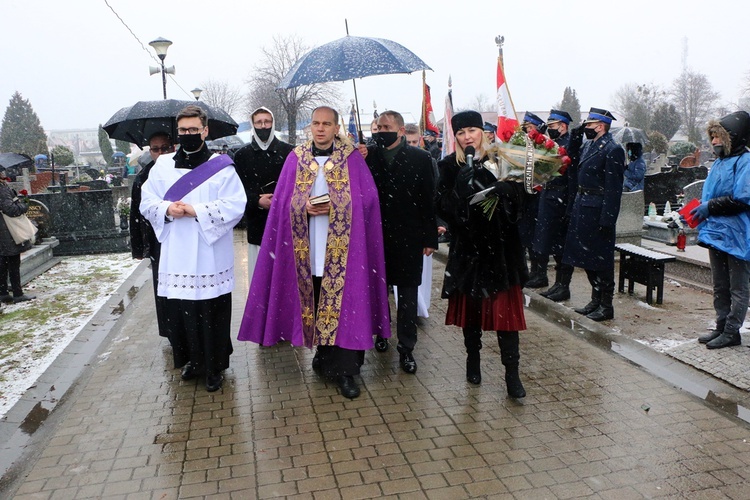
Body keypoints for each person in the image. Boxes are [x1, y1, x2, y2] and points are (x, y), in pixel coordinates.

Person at [237, 106, 390, 399]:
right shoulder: (297, 159)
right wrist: (302, 207)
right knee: (318, 303)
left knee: (346, 308)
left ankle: (346, 371)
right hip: (306, 249)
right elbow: (282, 202)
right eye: (316, 123)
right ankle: (323, 355)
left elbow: (368, 201)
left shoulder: (352, 159)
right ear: (310, 127)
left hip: (345, 251)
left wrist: (340, 206)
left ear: (336, 128)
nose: (320, 129)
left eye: (326, 124)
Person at [140, 105, 247, 392]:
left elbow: (236, 205)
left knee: (211, 309)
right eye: (183, 130)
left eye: (193, 130)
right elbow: (146, 201)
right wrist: (167, 208)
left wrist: (196, 210)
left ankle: (214, 366)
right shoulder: (162, 166)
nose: (188, 135)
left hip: (209, 251)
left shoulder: (221, 167)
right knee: (182, 308)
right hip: (177, 251)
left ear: (205, 130)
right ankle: (191, 361)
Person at [435, 110, 527, 398]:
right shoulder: (449, 166)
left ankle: (512, 374)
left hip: (501, 250)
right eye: (461, 133)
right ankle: (472, 359)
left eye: (471, 131)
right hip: (469, 251)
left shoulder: (504, 159)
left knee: (506, 318)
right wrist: (458, 193)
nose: (466, 137)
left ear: (484, 132)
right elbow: (442, 207)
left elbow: (523, 204)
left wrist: (508, 193)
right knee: (472, 314)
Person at [363, 111, 438, 374]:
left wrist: (430, 236)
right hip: (376, 234)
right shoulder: (368, 156)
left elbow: (428, 198)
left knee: (406, 296)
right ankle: (381, 334)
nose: (382, 131)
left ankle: (407, 348)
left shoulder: (421, 158)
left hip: (409, 235)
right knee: (378, 290)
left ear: (401, 130)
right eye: (379, 127)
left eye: (387, 127)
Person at [691, 111, 750, 349]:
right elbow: (712, 194)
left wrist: (710, 207)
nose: (714, 142)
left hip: (737, 233)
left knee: (738, 286)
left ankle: (732, 331)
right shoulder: (720, 162)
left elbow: (743, 198)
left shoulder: (745, 162)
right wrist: (696, 211)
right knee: (720, 284)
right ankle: (721, 326)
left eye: (719, 137)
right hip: (716, 232)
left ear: (733, 137)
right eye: (712, 137)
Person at [564, 107, 625, 322]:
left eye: (588, 125)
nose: (586, 128)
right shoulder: (589, 145)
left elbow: (614, 188)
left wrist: (608, 218)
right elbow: (570, 157)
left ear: (600, 126)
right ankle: (595, 298)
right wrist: (575, 134)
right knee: (586, 257)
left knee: (601, 259)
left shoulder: (612, 149)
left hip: (598, 209)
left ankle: (606, 304)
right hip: (583, 206)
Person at [233, 107, 294, 283]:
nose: (263, 126)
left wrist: (280, 200)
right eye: (259, 122)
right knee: (259, 278)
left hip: (285, 221)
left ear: (273, 123)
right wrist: (257, 200)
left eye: (267, 121)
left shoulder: (289, 152)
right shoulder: (242, 155)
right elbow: (237, 190)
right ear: (253, 125)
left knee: (284, 278)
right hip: (257, 224)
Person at [129, 132, 174, 340]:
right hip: (156, 241)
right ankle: (169, 330)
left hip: (178, 238)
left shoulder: (181, 171)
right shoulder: (143, 177)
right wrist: (138, 248)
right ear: (150, 151)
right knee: (162, 287)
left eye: (165, 148)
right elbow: (135, 214)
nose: (160, 153)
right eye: (155, 149)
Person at [535, 110, 582, 302]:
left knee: (562, 246)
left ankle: (564, 286)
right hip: (549, 198)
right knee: (553, 244)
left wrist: (570, 206)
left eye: (552, 126)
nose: (549, 130)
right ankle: (557, 284)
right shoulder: (550, 145)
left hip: (562, 200)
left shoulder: (570, 145)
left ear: (562, 126)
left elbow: (571, 179)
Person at [518, 111, 548, 288]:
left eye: (529, 128)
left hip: (539, 197)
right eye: (526, 128)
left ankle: (540, 273)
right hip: (526, 196)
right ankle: (531, 271)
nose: (527, 131)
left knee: (538, 237)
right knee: (526, 236)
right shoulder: (525, 145)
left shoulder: (544, 144)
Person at [0, 170, 35, 304]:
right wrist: (23, 206)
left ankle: (3, 293)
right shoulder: (2, 189)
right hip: (7, 230)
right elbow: (10, 209)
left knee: (2, 262)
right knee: (13, 262)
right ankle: (17, 293)